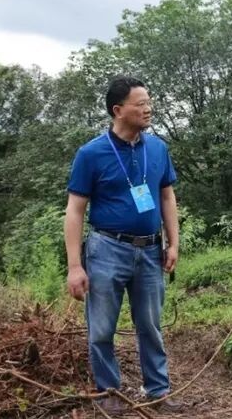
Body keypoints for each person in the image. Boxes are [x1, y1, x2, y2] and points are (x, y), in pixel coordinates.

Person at [64, 76, 181, 414]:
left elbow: (167, 197)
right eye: (140, 104)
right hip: (106, 250)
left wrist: (173, 243)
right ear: (118, 110)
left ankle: (158, 392)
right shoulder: (91, 153)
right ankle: (109, 393)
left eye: (149, 102)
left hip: (150, 250)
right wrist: (75, 265)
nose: (149, 109)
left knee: (151, 326)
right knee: (101, 328)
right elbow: (75, 210)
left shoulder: (157, 148)